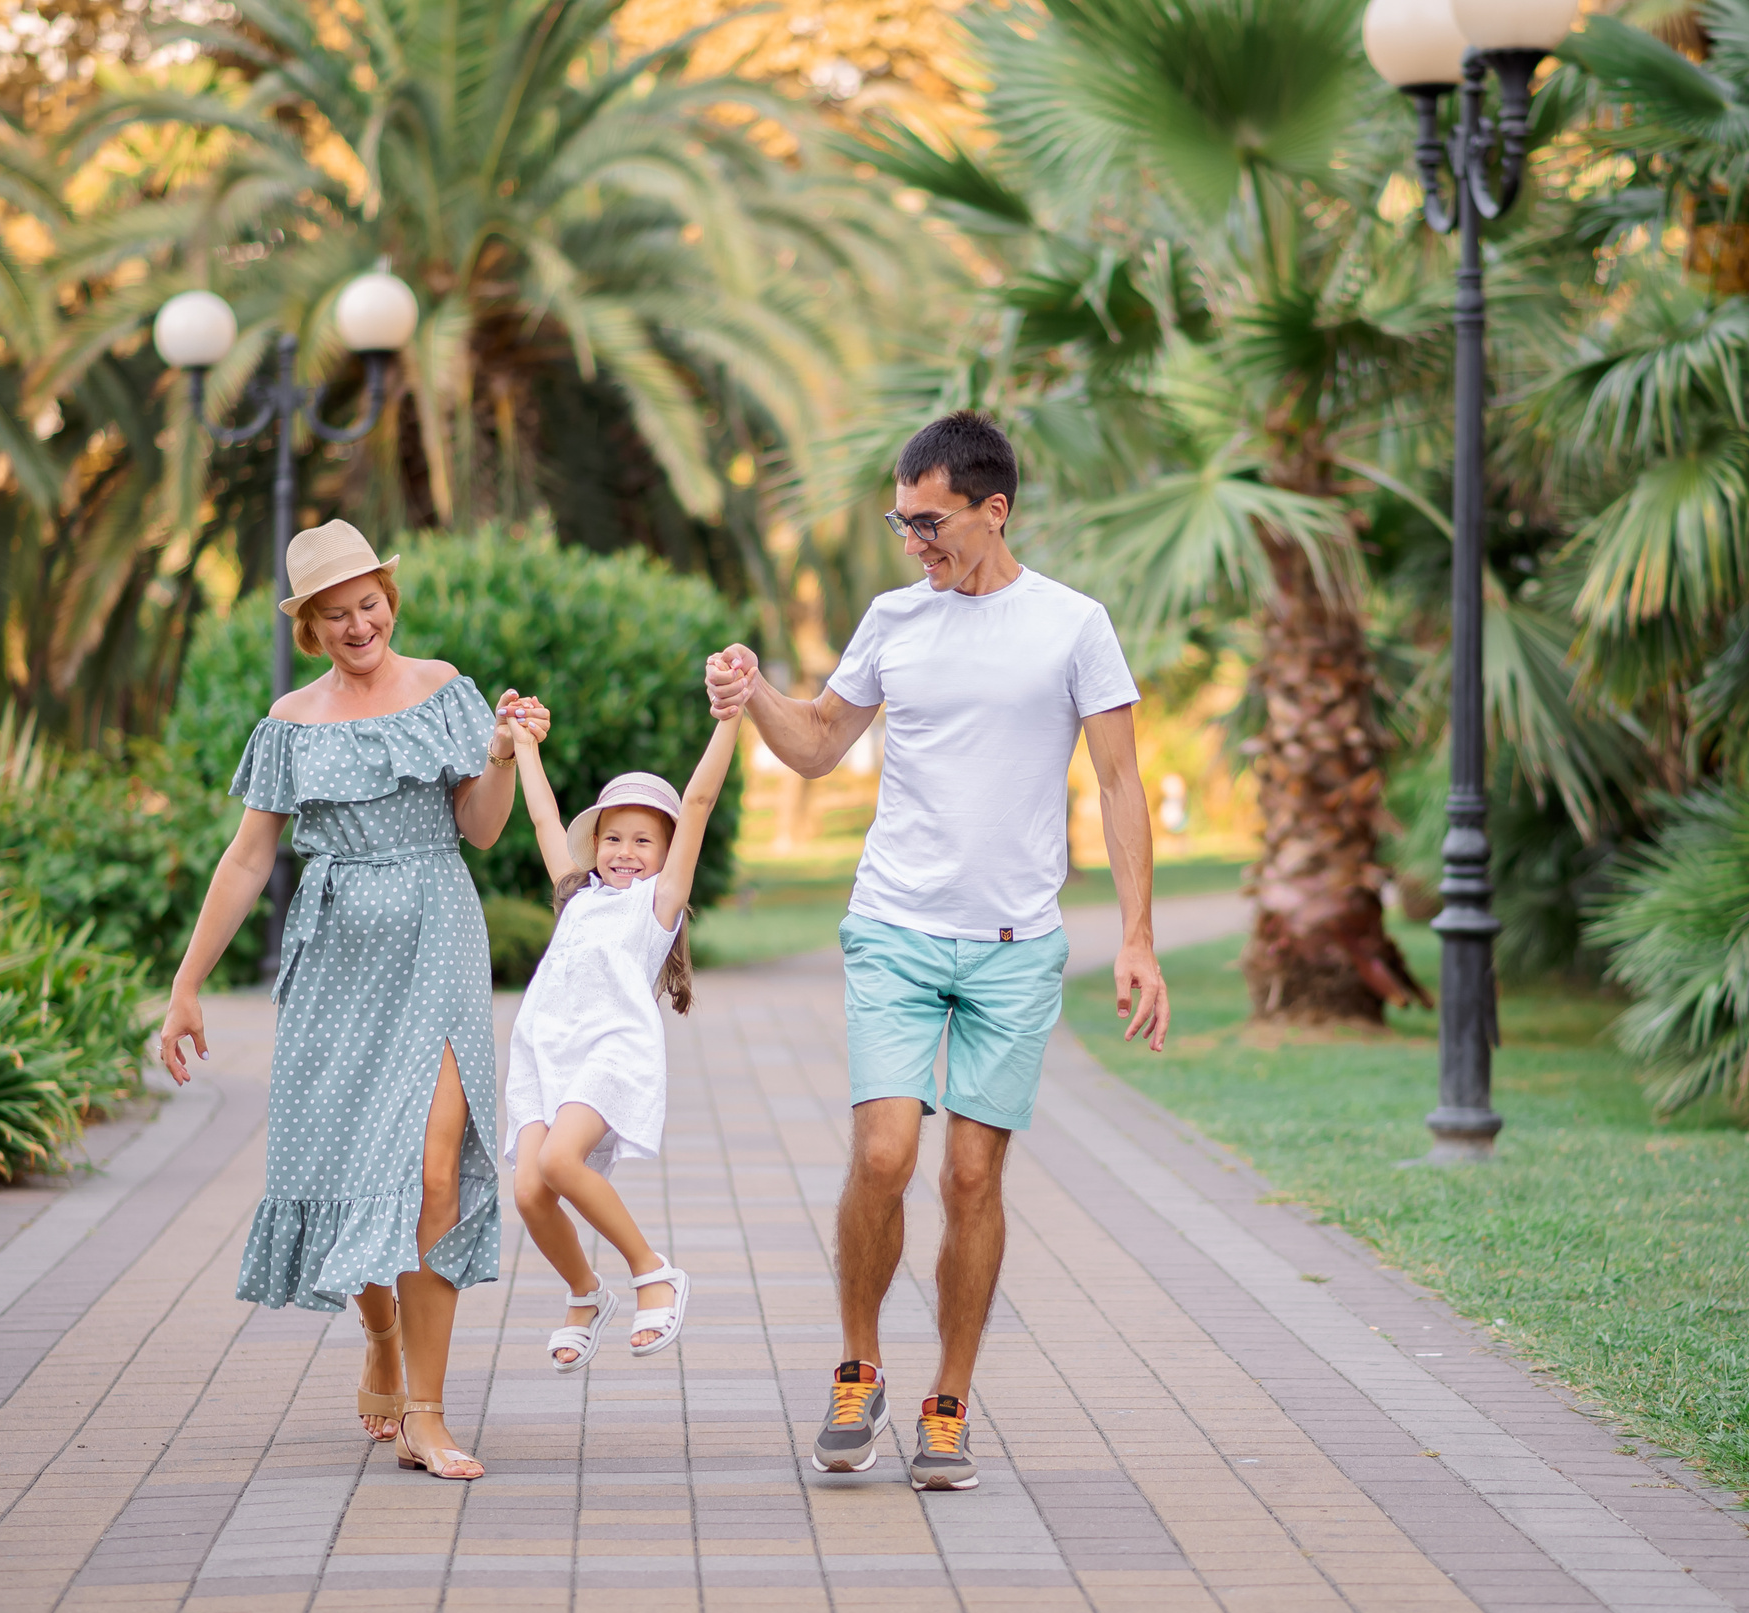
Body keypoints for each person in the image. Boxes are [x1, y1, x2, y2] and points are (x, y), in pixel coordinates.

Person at [705, 410, 1170, 1492]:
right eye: (900, 520)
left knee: (971, 1177)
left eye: (930, 521)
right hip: (897, 929)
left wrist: (1137, 935)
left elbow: (1117, 783)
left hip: (1014, 946)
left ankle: (949, 1398)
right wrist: (756, 692)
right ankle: (857, 1366)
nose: (912, 540)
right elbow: (819, 743)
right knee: (884, 1156)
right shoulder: (891, 619)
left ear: (991, 510)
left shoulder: (1072, 624)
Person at [159, 519, 541, 1482]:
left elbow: (484, 832)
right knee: (350, 1167)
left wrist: (497, 754)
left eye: (369, 602)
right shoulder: (290, 722)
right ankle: (378, 1333)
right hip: (335, 961)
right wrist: (187, 984)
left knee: (437, 1171)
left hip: (439, 940)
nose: (360, 623)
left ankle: (427, 1411)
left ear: (388, 600)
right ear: (312, 629)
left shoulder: (445, 690)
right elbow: (249, 858)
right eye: (337, 613)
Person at [499, 689, 743, 1370]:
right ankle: (584, 1293)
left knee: (557, 1161)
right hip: (546, 1053)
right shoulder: (579, 895)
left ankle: (653, 1270)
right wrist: (524, 746)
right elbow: (545, 819)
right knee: (527, 1188)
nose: (625, 851)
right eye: (613, 837)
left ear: (666, 854)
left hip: (611, 1051)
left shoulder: (654, 904)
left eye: (643, 840)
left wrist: (729, 722)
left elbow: (695, 806)